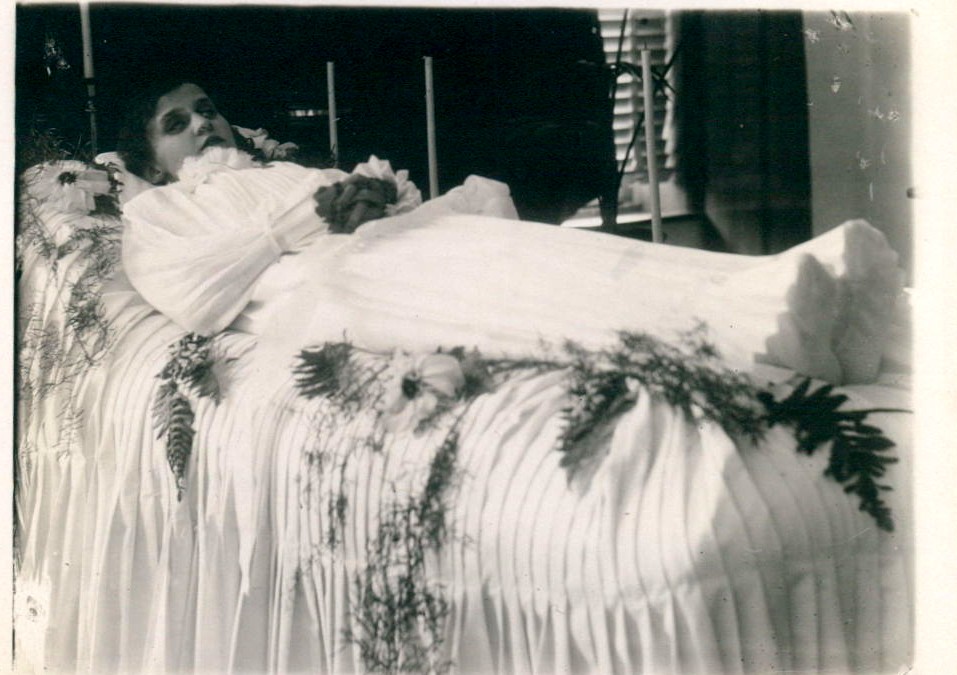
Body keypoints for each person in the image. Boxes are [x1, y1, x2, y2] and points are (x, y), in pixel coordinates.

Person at [113, 80, 905, 386]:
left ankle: (774, 289)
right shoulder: (155, 213)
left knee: (559, 253)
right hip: (341, 285)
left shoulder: (284, 169)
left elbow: (352, 208)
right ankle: (756, 328)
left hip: (397, 245)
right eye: (176, 123)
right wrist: (310, 218)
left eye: (207, 109)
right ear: (150, 161)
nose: (203, 124)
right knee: (532, 293)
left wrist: (382, 197)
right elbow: (196, 293)